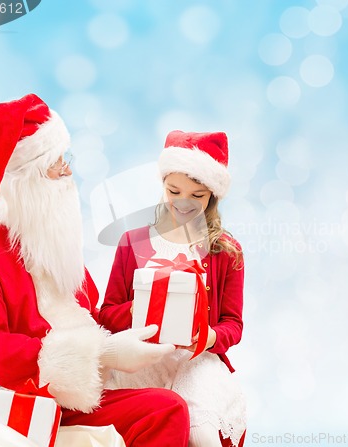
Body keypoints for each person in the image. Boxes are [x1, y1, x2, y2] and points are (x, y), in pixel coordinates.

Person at [0, 94, 190, 446]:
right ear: (26, 178)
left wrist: (151, 309)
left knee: (173, 403)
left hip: (71, 391)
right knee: (166, 410)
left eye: (66, 158)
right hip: (12, 397)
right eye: (57, 162)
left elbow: (88, 315)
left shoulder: (42, 227)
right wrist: (103, 354)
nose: (68, 171)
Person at [99, 130, 247, 447]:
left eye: (197, 196)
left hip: (197, 360)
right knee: (149, 422)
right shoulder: (133, 242)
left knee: (199, 430)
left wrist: (209, 337)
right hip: (143, 358)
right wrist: (141, 308)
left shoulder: (226, 251)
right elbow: (107, 315)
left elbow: (233, 325)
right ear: (163, 185)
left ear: (212, 196)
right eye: (174, 190)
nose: (183, 203)